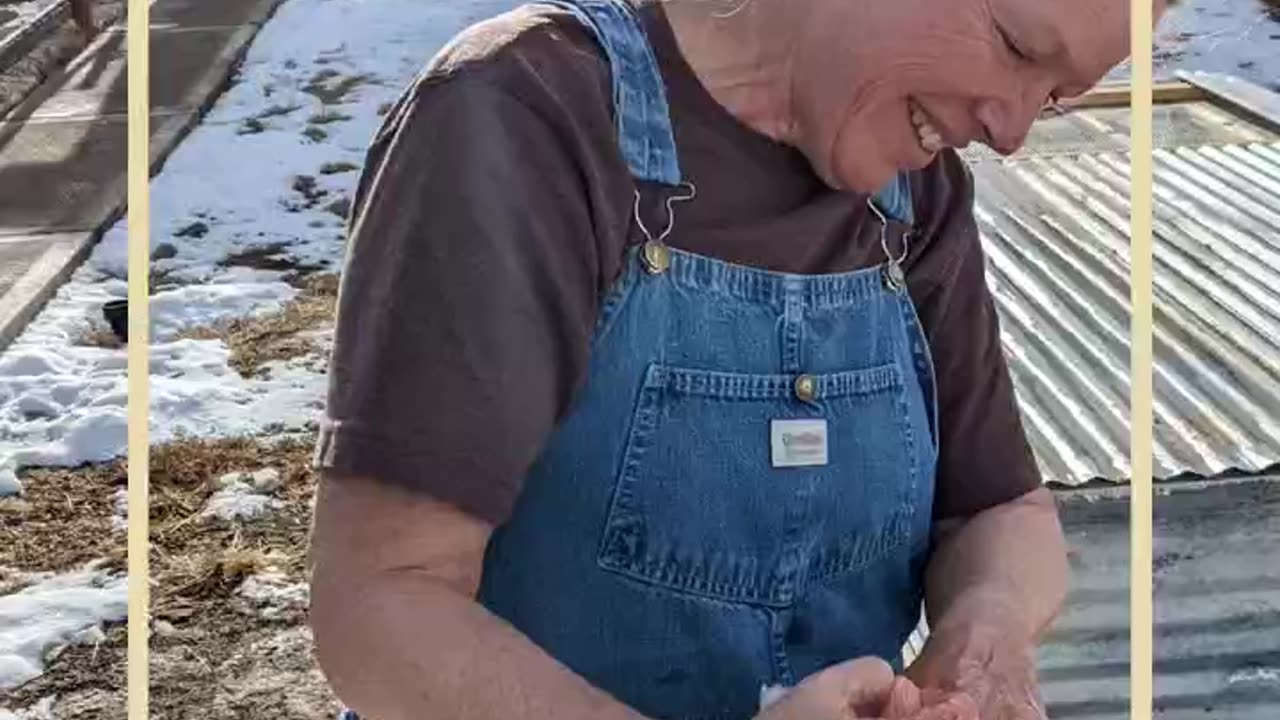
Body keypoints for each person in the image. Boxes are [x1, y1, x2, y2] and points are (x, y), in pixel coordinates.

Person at [308, 0, 1163, 718]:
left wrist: (990, 625)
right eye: (1017, 48)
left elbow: (999, 508)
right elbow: (382, 605)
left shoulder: (917, 195)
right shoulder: (528, 118)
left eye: (1053, 94)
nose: (1011, 131)